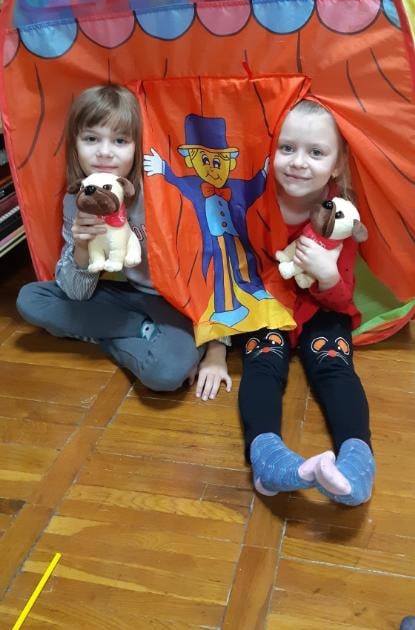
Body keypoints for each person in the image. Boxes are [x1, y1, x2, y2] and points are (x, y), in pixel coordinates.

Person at [16, 84, 231, 400]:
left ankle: (104, 334)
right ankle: (141, 331)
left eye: (119, 140)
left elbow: (214, 269)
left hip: (172, 302)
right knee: (30, 299)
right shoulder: (77, 200)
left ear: (137, 146)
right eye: (91, 139)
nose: (104, 152)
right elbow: (76, 293)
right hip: (119, 295)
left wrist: (216, 351)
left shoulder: (160, 191)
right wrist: (81, 248)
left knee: (167, 371)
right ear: (75, 144)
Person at [237, 99, 375, 506]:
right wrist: (213, 348)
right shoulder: (255, 199)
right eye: (287, 148)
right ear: (271, 151)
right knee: (263, 363)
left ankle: (357, 464)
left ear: (337, 164)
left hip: (322, 309)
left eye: (315, 152)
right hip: (268, 303)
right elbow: (229, 269)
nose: (298, 162)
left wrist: (328, 274)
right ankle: (268, 459)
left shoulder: (341, 216)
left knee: (334, 365)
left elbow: (342, 297)